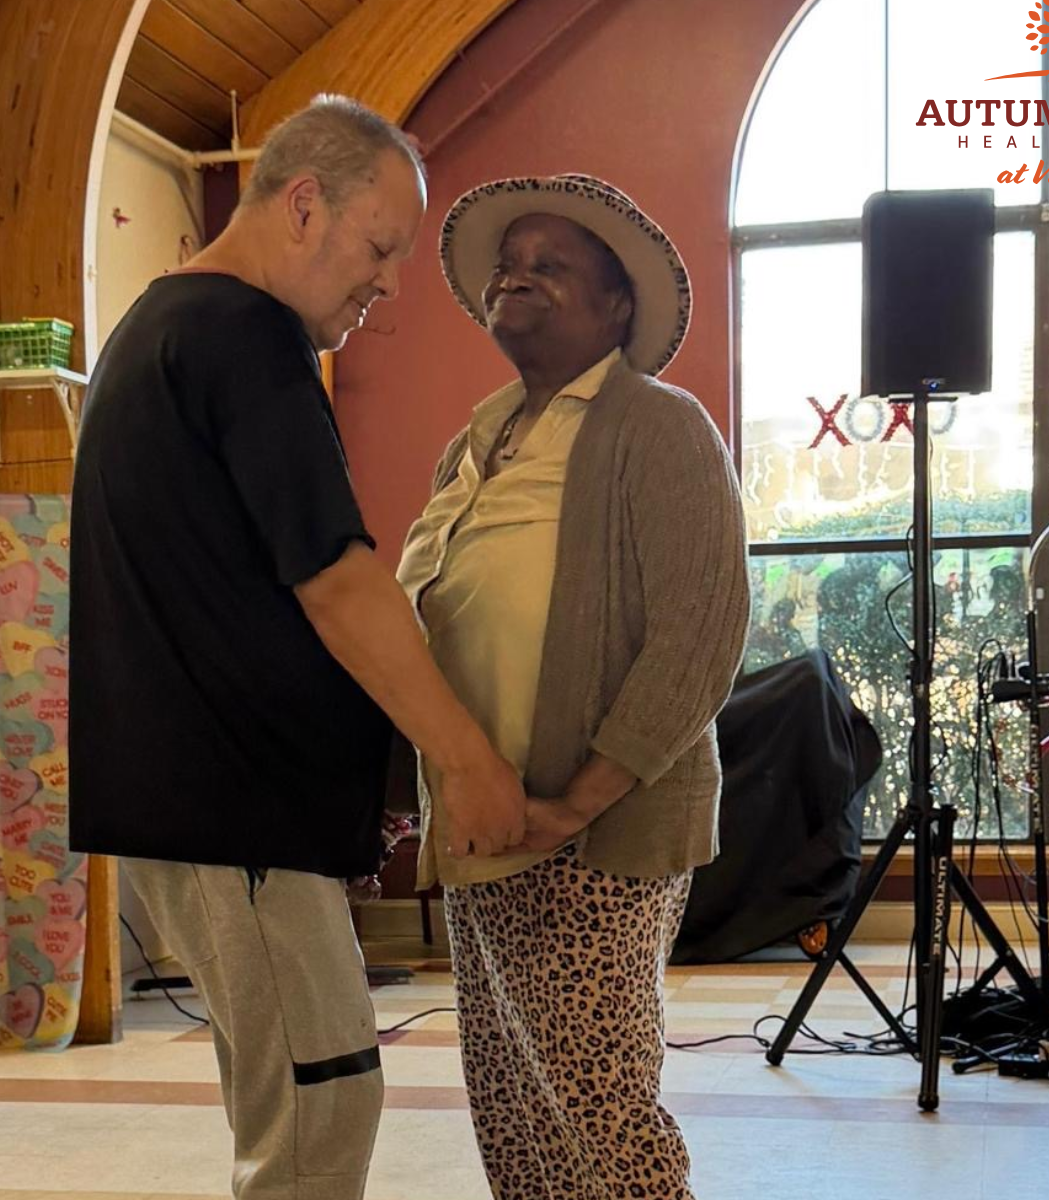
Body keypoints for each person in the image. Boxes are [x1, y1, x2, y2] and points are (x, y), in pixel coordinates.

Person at [68, 96, 526, 1200]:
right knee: (318, 1113)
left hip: (213, 813)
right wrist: (465, 760)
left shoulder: (163, 326)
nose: (389, 284)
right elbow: (337, 582)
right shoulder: (244, 334)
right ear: (304, 204)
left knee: (294, 1094)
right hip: (237, 813)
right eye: (379, 247)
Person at [396, 174, 749, 1200]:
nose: (518, 277)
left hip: (597, 820)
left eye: (551, 266)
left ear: (616, 306)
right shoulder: (478, 438)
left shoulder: (658, 426)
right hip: (487, 812)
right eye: (510, 264)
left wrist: (577, 799)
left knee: (597, 1102)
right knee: (509, 1096)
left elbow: (700, 633)